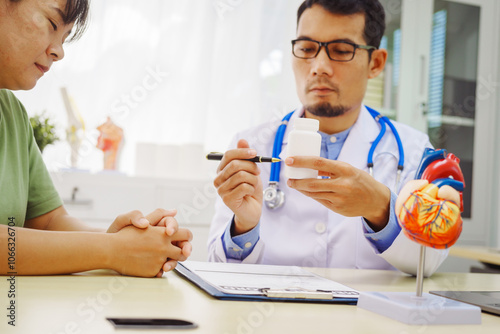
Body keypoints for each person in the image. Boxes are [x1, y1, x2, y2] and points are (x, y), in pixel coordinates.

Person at [208, 0, 458, 276]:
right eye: (306, 49)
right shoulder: (251, 146)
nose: (319, 66)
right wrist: (244, 227)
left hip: (368, 317)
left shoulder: (413, 151)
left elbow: (428, 262)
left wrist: (380, 208)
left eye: (340, 50)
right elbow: (218, 269)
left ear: (375, 63)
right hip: (273, 316)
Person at [0, 0, 192, 277]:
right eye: (52, 24)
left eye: (65, 37)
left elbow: (48, 221)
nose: (59, 51)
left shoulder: (13, 113)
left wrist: (124, 239)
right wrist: (113, 249)